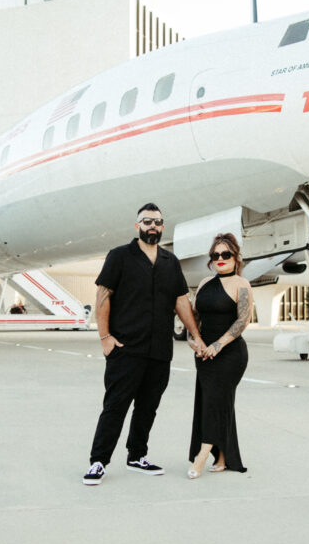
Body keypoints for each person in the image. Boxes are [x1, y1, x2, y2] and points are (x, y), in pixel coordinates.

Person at [83, 203, 204, 486]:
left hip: (160, 350)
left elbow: (180, 300)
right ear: (137, 226)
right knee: (115, 406)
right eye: (147, 221)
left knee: (148, 407)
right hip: (125, 348)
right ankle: (98, 461)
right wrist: (105, 338)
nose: (153, 226)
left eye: (158, 222)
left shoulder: (169, 261)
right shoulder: (120, 257)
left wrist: (195, 335)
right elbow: (104, 295)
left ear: (163, 227)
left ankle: (137, 456)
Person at [187, 233, 252, 478]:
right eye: (216, 255)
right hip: (204, 355)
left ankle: (202, 456)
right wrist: (195, 342)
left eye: (226, 254)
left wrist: (218, 344)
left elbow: (243, 320)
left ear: (236, 257)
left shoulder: (241, 284)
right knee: (214, 402)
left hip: (230, 354)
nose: (220, 259)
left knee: (215, 401)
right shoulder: (204, 283)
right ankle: (223, 457)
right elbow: (195, 319)